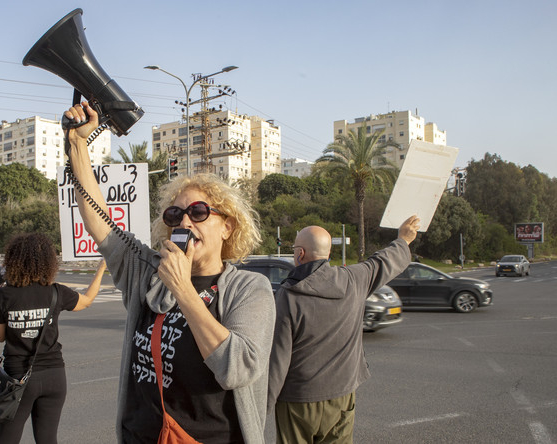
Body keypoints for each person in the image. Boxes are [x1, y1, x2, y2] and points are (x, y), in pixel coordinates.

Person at [64, 103, 275, 443]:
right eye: (175, 215)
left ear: (227, 227)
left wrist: (184, 290)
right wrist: (77, 144)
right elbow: (98, 219)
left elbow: (237, 369)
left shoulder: (249, 288)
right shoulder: (149, 273)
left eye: (199, 212)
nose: (185, 222)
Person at [267, 215, 421, 444]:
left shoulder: (288, 296)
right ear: (328, 254)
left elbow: (278, 359)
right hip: (342, 395)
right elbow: (383, 262)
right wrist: (403, 240)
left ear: (300, 254)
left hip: (297, 401)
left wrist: (261, 407)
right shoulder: (353, 280)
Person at [0, 233, 108, 444]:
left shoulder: (5, 295)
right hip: (55, 376)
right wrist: (101, 269)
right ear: (47, 262)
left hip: (19, 378)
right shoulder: (56, 292)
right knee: (47, 439)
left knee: (7, 439)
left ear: (13, 261)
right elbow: (88, 300)